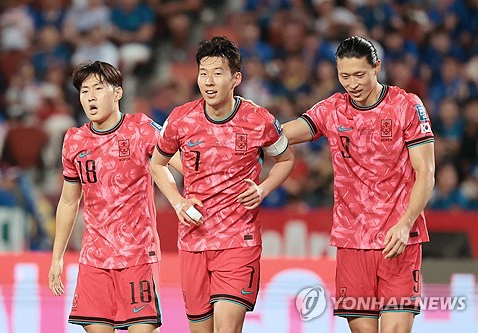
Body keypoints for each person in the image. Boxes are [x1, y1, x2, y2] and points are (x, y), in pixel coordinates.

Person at [282, 36, 435, 333]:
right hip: (352, 240)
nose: (351, 83)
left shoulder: (406, 105)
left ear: (377, 67)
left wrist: (405, 224)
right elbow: (286, 134)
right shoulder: (332, 109)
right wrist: (245, 129)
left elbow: (426, 171)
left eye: (359, 75)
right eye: (344, 76)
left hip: (398, 238)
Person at [150, 36, 295, 333]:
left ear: (235, 78)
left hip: (238, 241)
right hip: (193, 240)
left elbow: (286, 159)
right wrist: (177, 201)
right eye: (203, 73)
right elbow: (157, 162)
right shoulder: (181, 119)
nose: (209, 81)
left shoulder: (259, 120)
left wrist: (263, 189)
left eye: (218, 73)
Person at [48, 61, 179, 333]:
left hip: (138, 255)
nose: (91, 96)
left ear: (117, 93)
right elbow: (69, 201)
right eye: (85, 91)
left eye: (98, 88)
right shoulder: (74, 140)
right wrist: (56, 257)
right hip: (95, 258)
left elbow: (181, 164)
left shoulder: (140, 128)